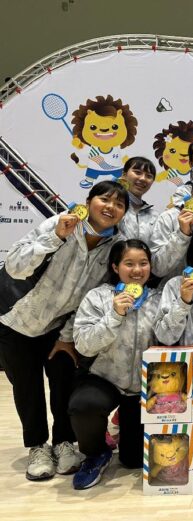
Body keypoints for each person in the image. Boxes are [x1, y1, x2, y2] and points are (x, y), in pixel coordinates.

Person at [0, 180, 128, 481]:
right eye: (104, 199)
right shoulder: (61, 224)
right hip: (16, 319)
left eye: (119, 204)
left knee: (63, 383)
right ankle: (37, 447)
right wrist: (56, 236)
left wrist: (67, 336)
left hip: (58, 329)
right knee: (27, 387)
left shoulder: (115, 246)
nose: (110, 207)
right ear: (89, 201)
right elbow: (15, 265)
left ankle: (64, 442)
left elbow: (92, 297)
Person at [68, 239, 161, 489]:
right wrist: (115, 315)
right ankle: (96, 453)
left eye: (143, 263)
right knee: (84, 406)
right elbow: (84, 345)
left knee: (133, 460)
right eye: (129, 263)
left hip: (142, 388)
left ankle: (121, 427)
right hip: (104, 378)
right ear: (115, 266)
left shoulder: (159, 298)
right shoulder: (97, 297)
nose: (137, 270)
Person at [118, 156, 158, 244]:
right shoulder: (110, 205)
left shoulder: (155, 216)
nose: (143, 178)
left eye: (149, 176)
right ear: (124, 175)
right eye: (137, 172)